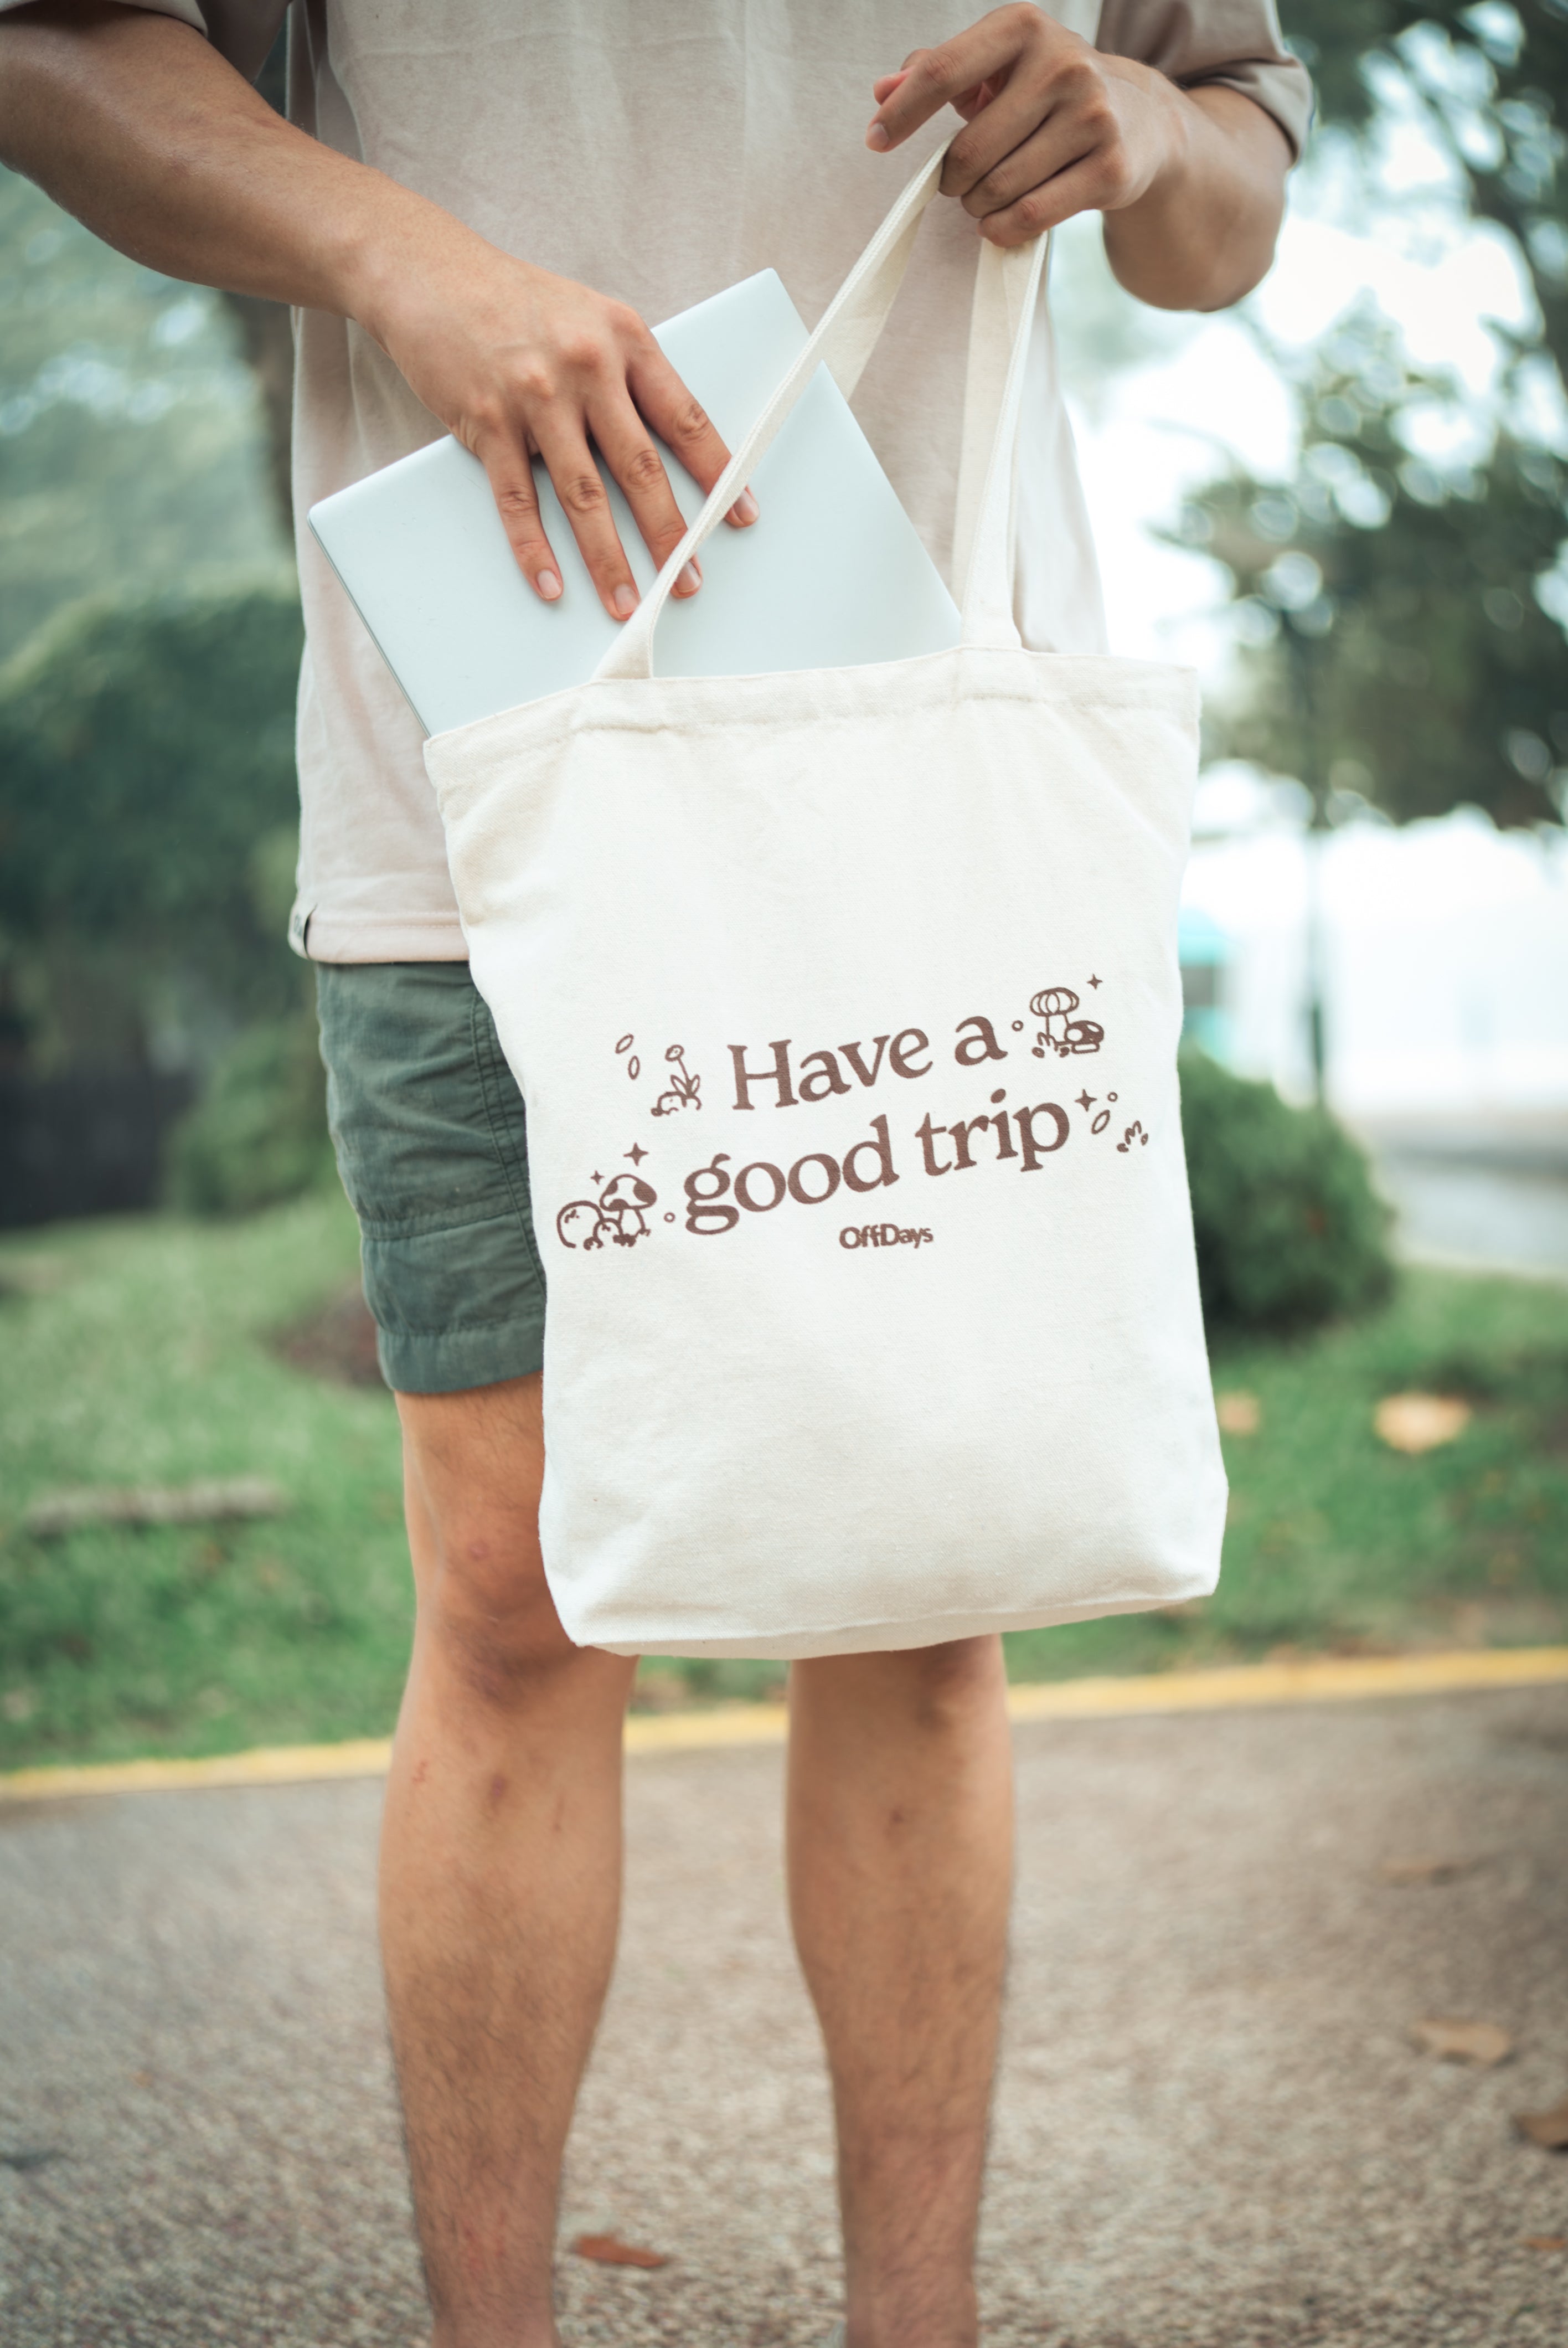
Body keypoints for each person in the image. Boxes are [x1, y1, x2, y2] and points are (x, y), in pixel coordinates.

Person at [0, 7, 1309, 2341]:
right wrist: (410, 264)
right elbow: (53, 58)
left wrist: (1148, 132)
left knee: (924, 1605)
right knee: (507, 1607)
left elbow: (1239, 180)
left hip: (920, 759)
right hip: (480, 769)